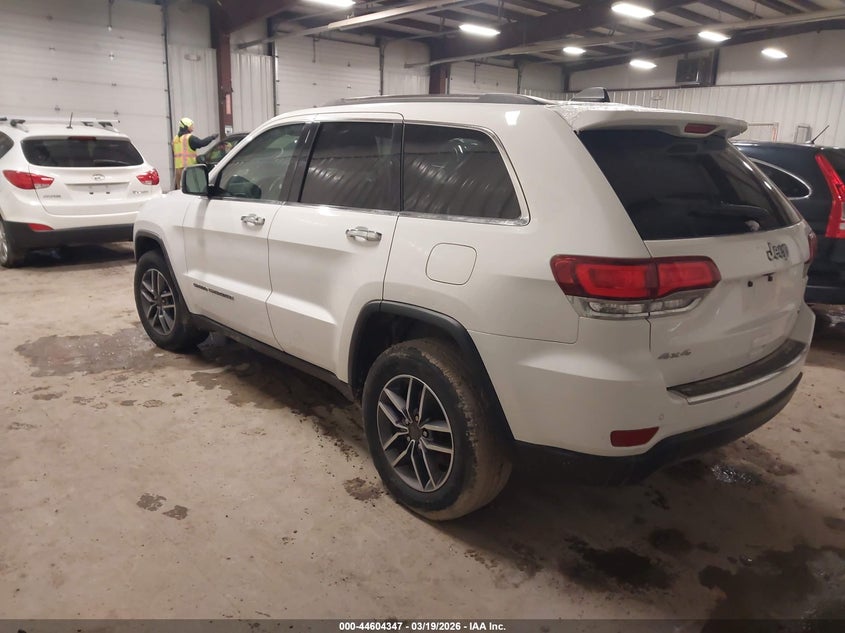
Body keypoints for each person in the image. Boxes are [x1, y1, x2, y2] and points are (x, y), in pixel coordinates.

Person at [172, 117, 217, 189]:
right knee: (192, 191)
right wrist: (211, 137)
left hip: (178, 172)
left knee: (180, 191)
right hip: (189, 170)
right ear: (186, 126)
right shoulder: (189, 138)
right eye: (191, 125)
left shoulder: (175, 139)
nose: (193, 127)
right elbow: (202, 143)